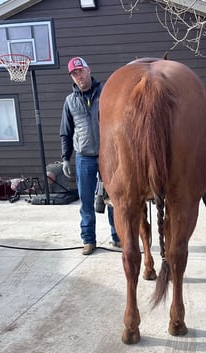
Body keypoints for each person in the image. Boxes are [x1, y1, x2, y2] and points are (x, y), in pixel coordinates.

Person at [60, 56, 121, 255]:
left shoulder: (106, 94)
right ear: (72, 77)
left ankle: (118, 237)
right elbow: (66, 132)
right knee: (86, 201)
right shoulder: (69, 102)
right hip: (83, 157)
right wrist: (65, 158)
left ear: (88, 70)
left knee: (112, 199)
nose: (79, 76)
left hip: (108, 156)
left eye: (81, 71)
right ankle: (88, 240)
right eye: (74, 74)